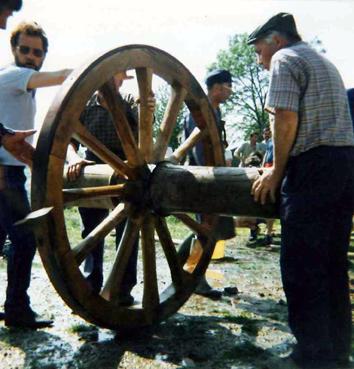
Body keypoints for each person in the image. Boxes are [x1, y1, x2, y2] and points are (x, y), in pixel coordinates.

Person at [248, 12, 354, 369]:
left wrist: (276, 172)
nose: (261, 61)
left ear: (276, 41)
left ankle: (311, 354)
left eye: (260, 51)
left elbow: (285, 116)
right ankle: (337, 349)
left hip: (312, 167)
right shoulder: (323, 62)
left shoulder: (285, 58)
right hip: (344, 165)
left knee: (301, 263)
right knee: (332, 262)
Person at [0, 21, 72, 328]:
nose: (31, 56)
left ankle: (15, 307)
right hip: (5, 175)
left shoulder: (19, 84)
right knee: (25, 239)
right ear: (14, 50)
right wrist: (96, 72)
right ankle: (17, 310)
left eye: (37, 52)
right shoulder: (15, 76)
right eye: (25, 50)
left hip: (10, 172)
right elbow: (62, 78)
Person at [66, 72, 155, 306]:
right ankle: (90, 285)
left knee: (128, 233)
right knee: (92, 231)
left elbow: (144, 135)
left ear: (121, 80)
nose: (112, 81)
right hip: (92, 167)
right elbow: (69, 140)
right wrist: (74, 158)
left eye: (116, 77)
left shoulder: (128, 103)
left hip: (128, 171)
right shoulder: (85, 106)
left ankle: (122, 289)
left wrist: (148, 110)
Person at [184, 69, 235, 299]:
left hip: (213, 177)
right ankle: (195, 277)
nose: (230, 91)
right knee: (204, 230)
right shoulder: (200, 111)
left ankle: (190, 269)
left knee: (207, 229)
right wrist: (214, 174)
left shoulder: (215, 110)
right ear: (216, 88)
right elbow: (197, 148)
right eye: (228, 86)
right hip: (203, 179)